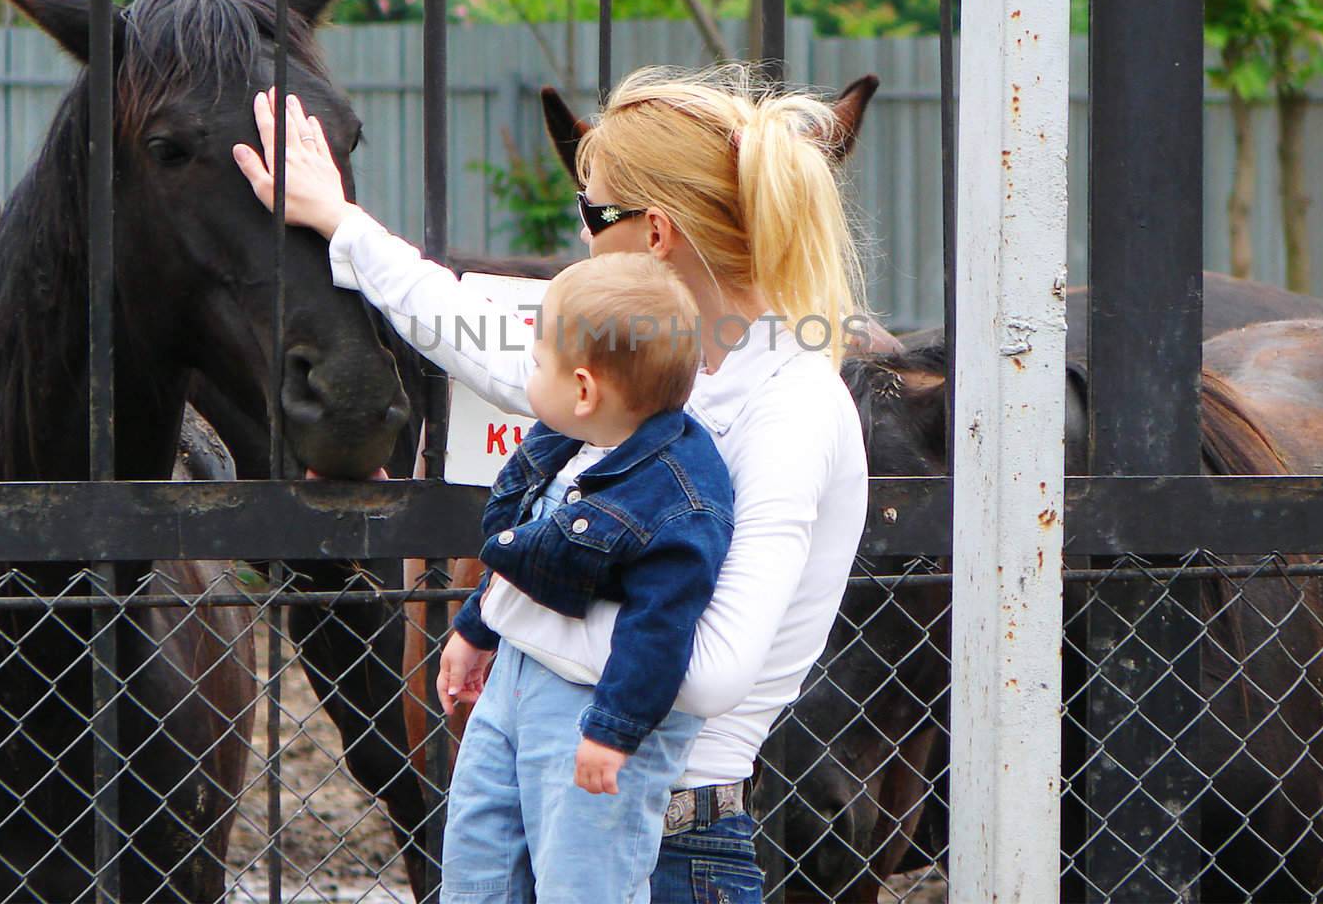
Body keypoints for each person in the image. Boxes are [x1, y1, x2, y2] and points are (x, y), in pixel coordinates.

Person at [233, 65, 870, 903]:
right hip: (549, 814)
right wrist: (338, 220)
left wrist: (511, 615)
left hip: (660, 844)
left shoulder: (789, 406)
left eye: (592, 210)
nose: (580, 235)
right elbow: (467, 327)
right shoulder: (654, 370)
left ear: (655, 233)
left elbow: (712, 669)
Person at [436, 252, 733, 902]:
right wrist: (478, 628)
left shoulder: (681, 494)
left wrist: (611, 731)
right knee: (477, 865)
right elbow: (536, 561)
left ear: (583, 389)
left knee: (582, 880)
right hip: (512, 682)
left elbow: (661, 626)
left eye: (537, 361)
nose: (528, 374)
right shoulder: (565, 443)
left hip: (588, 707)